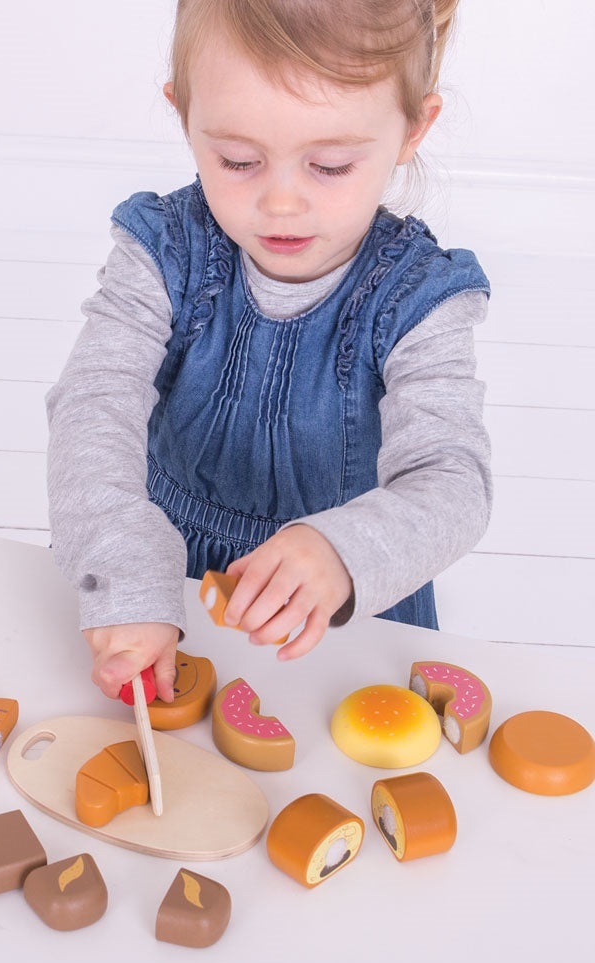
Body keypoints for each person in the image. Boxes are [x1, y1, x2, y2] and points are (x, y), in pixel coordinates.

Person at [46, 0, 490, 704]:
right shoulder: (162, 250)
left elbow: (452, 481)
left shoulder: (420, 297)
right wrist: (120, 563)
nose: (282, 203)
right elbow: (93, 406)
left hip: (339, 613)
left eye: (331, 165)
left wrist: (345, 553)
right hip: (155, 575)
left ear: (413, 128)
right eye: (239, 160)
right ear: (184, 115)